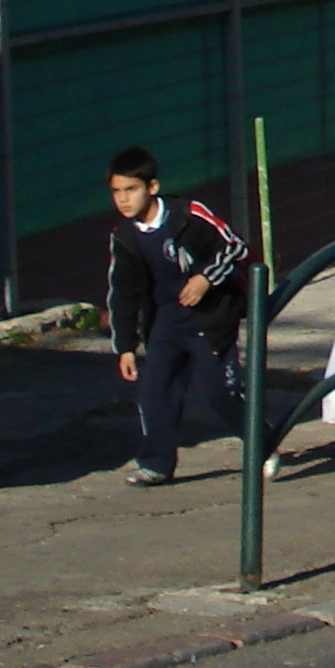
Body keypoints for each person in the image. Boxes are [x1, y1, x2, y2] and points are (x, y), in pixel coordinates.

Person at [104, 147, 249, 488]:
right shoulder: (124, 238)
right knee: (156, 391)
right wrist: (125, 346)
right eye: (117, 192)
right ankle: (156, 463)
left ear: (151, 187)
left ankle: (262, 444)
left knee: (219, 393)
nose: (124, 200)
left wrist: (205, 278)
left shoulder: (188, 214)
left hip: (208, 319)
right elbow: (122, 294)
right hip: (166, 322)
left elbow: (235, 247)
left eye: (131, 190)